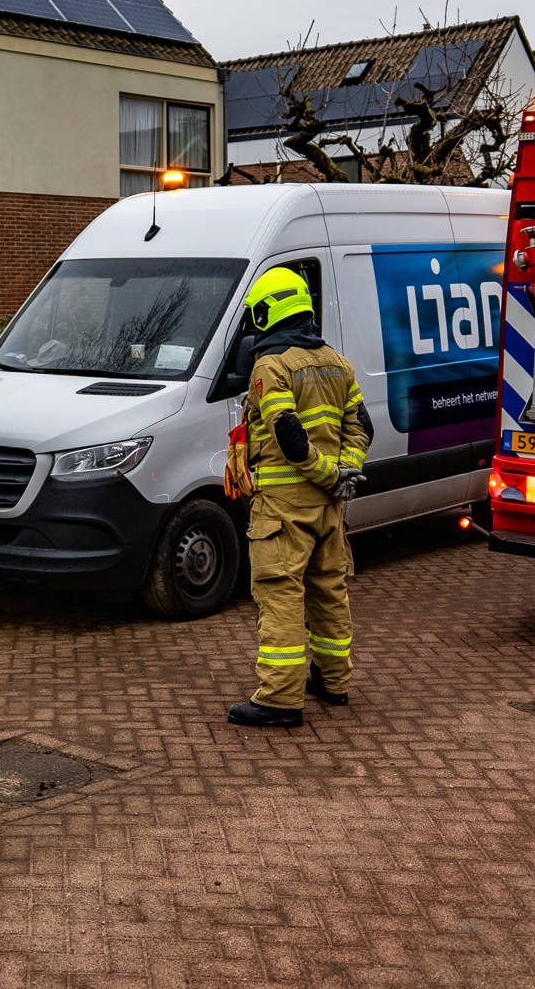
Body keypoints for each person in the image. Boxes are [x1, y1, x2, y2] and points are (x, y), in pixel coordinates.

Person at [230, 267, 371, 729]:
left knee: (280, 593)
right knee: (329, 589)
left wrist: (327, 474)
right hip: (331, 507)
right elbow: (362, 429)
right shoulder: (337, 362)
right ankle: (333, 682)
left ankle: (280, 698)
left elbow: (288, 435)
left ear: (269, 311)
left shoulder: (271, 365)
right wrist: (345, 471)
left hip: (285, 506)